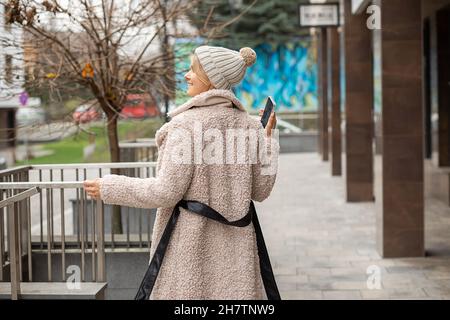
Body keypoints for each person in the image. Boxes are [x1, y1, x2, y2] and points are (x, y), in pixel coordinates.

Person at [84, 45, 279, 299]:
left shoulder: (186, 126)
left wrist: (110, 187)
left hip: (190, 253)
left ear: (212, 79)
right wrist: (268, 140)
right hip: (237, 256)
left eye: (193, 70)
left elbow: (165, 192)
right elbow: (261, 191)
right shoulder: (249, 127)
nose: (186, 75)